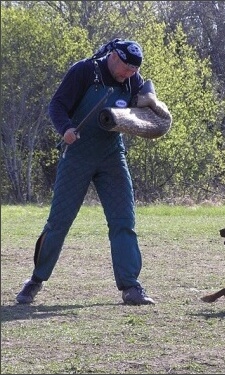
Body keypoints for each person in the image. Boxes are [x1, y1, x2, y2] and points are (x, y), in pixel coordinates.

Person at [16, 39, 155, 305]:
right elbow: (56, 105)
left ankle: (131, 286)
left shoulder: (132, 80)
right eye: (126, 68)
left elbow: (144, 105)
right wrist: (65, 129)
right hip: (77, 154)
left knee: (124, 221)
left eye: (133, 71)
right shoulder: (83, 71)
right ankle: (35, 280)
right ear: (113, 56)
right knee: (58, 223)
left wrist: (153, 105)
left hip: (112, 156)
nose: (128, 75)